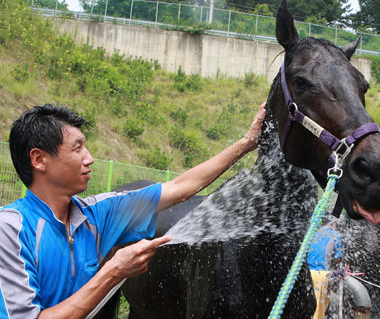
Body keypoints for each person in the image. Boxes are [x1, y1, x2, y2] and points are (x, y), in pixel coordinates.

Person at [0, 102, 266, 318]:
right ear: (39, 159)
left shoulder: (97, 214)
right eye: (77, 147)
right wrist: (114, 271)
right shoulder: (10, 230)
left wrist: (247, 142)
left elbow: (179, 188)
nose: (89, 157)